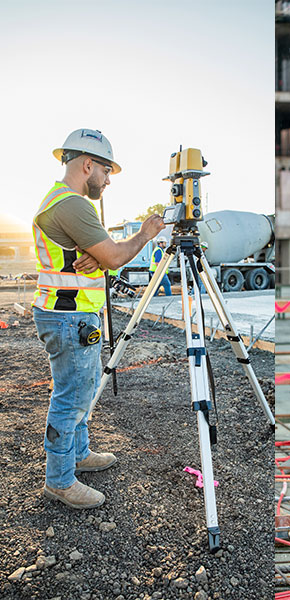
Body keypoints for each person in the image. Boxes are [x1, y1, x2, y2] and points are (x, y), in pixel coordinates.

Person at [36, 129, 163, 510]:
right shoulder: (72, 205)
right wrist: (144, 235)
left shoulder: (62, 203)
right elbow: (115, 257)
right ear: (87, 164)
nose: (108, 180)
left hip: (72, 314)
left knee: (83, 388)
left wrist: (97, 254)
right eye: (106, 171)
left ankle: (79, 453)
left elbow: (95, 256)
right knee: (71, 397)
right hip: (68, 317)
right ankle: (59, 481)